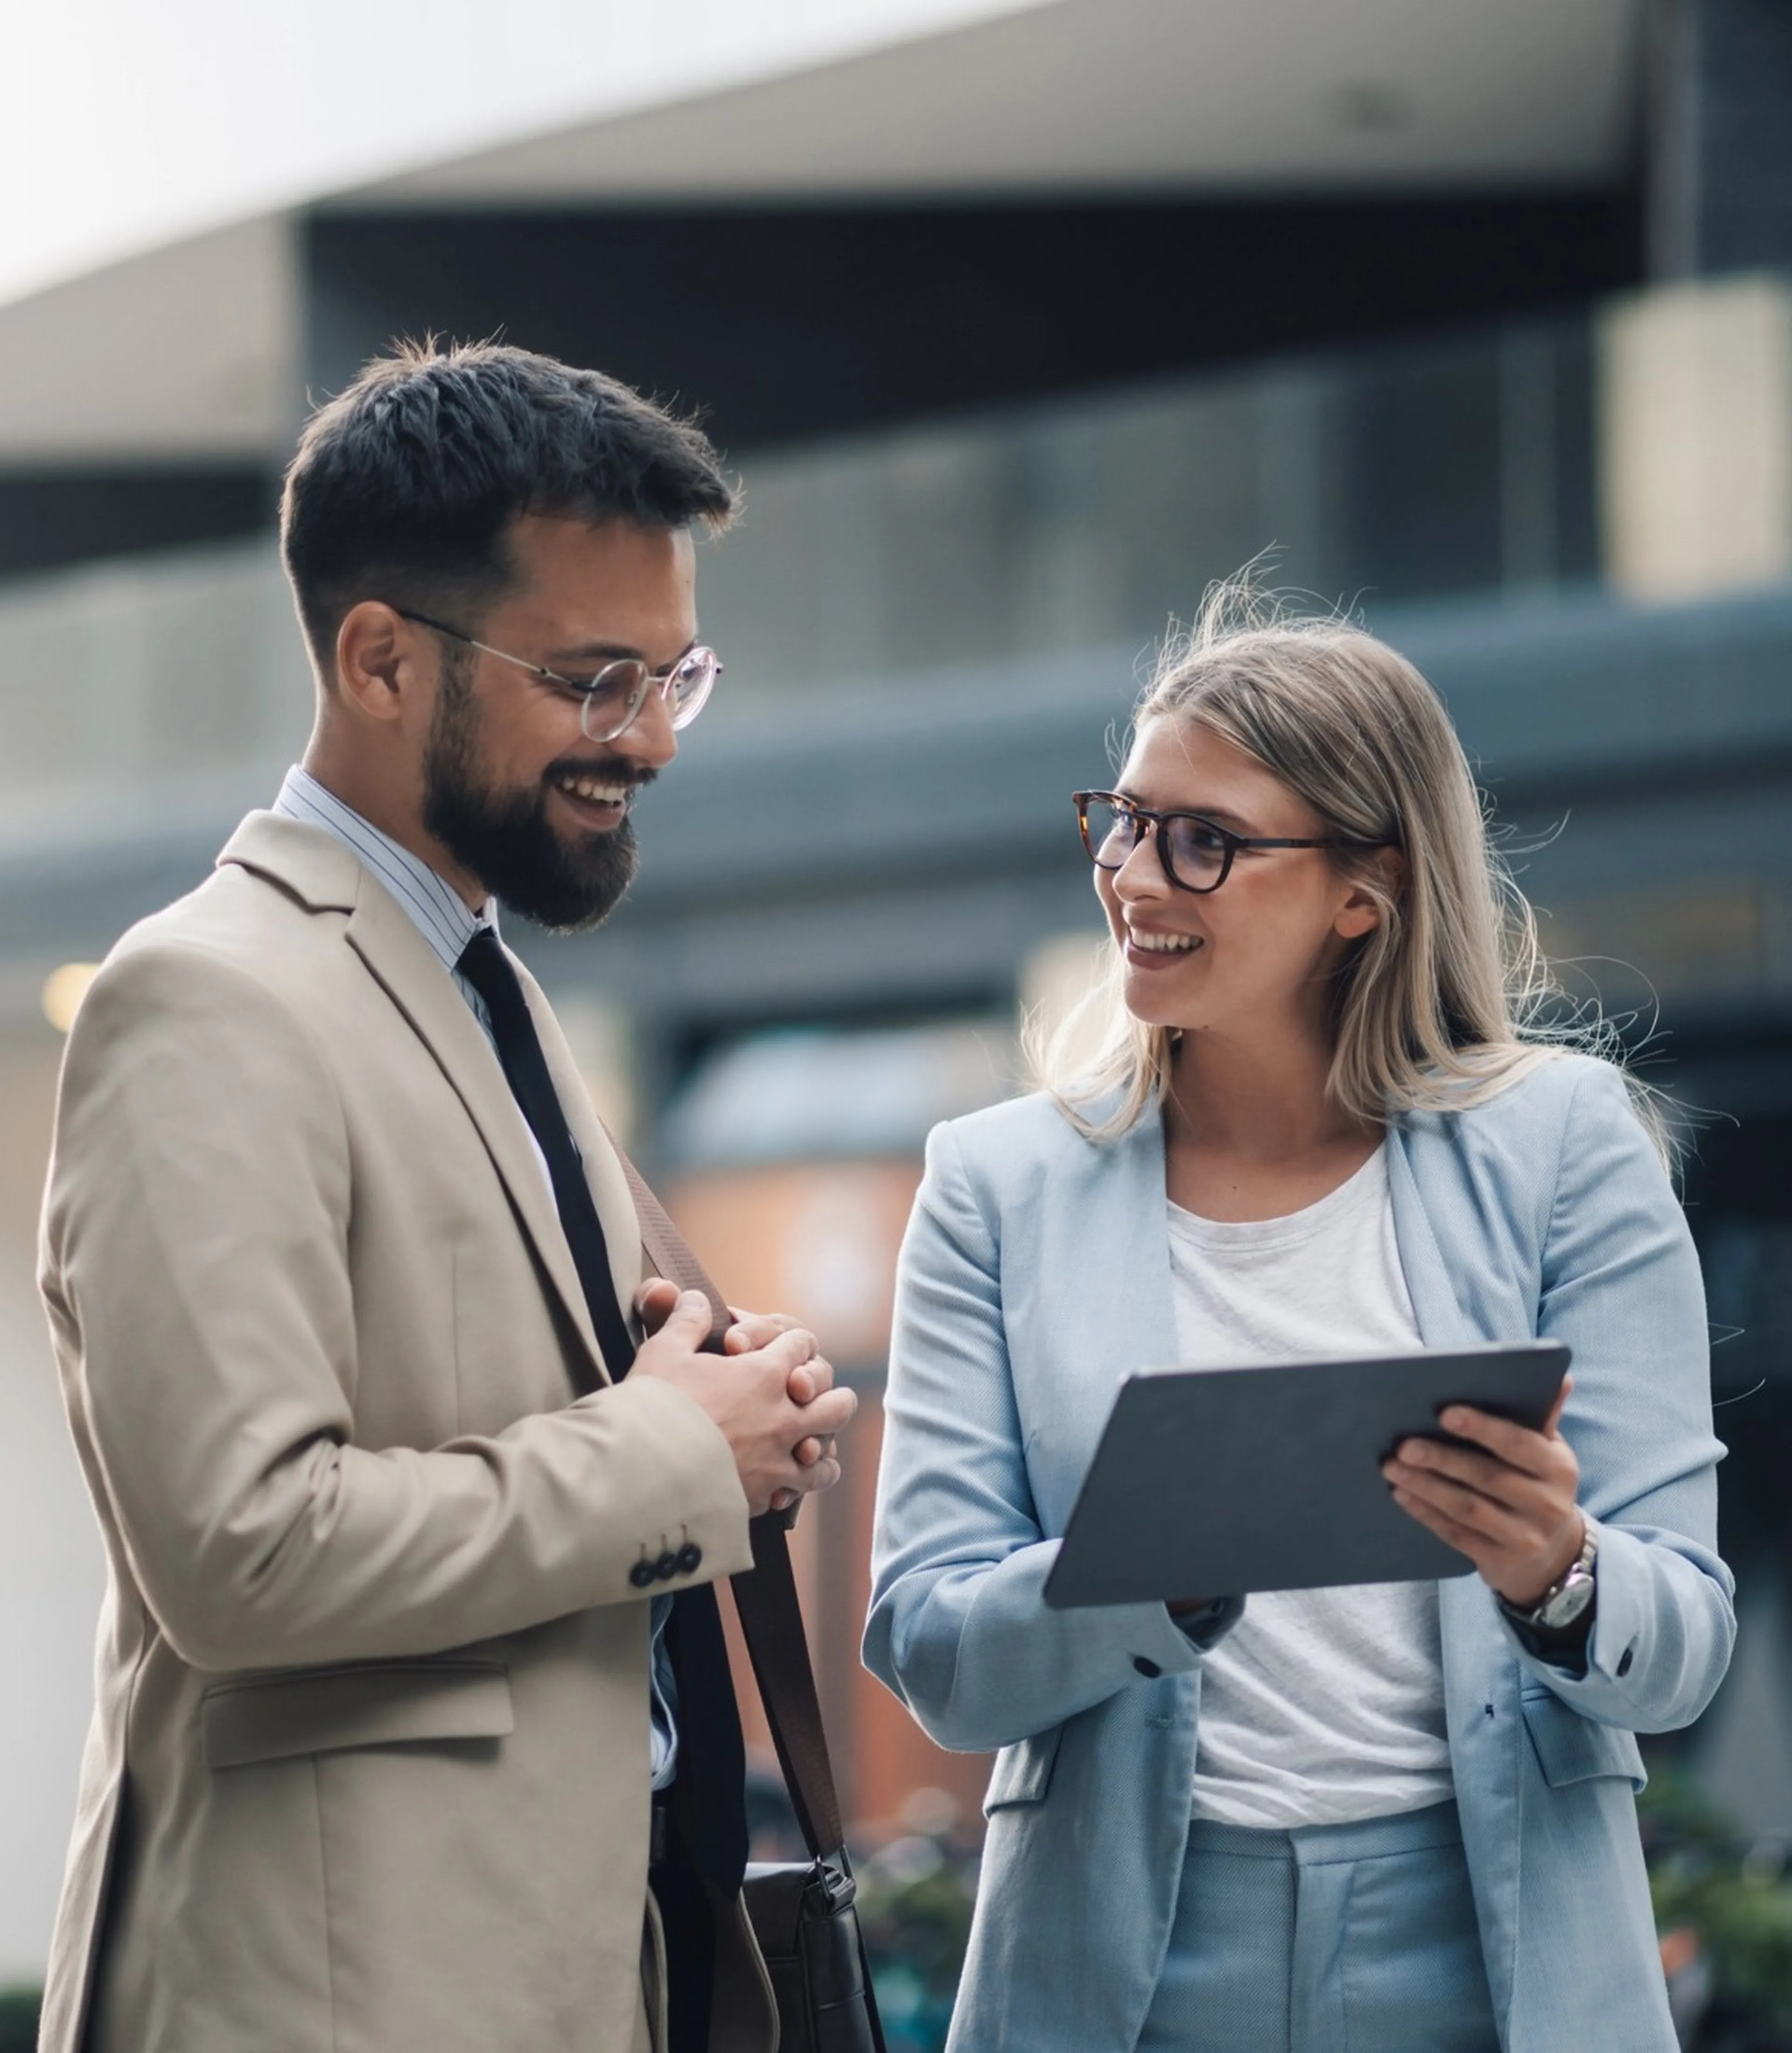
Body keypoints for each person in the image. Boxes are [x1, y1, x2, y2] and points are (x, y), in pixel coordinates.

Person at [37, 340, 856, 2053]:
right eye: (594, 678)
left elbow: (538, 1405)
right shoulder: (204, 998)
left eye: (674, 676)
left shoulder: (489, 983)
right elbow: (244, 1551)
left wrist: (720, 1386)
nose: (648, 739)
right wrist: (671, 1456)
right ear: (381, 656)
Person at [863, 587, 1735, 2053]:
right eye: (1123, 818)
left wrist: (1559, 1572)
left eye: (1203, 837)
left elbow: (1689, 1634)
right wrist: (1158, 1564)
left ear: (1365, 887)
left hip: (1489, 1943)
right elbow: (932, 1648)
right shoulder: (996, 1184)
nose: (1135, 871)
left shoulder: (1567, 1147)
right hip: (1117, 1959)